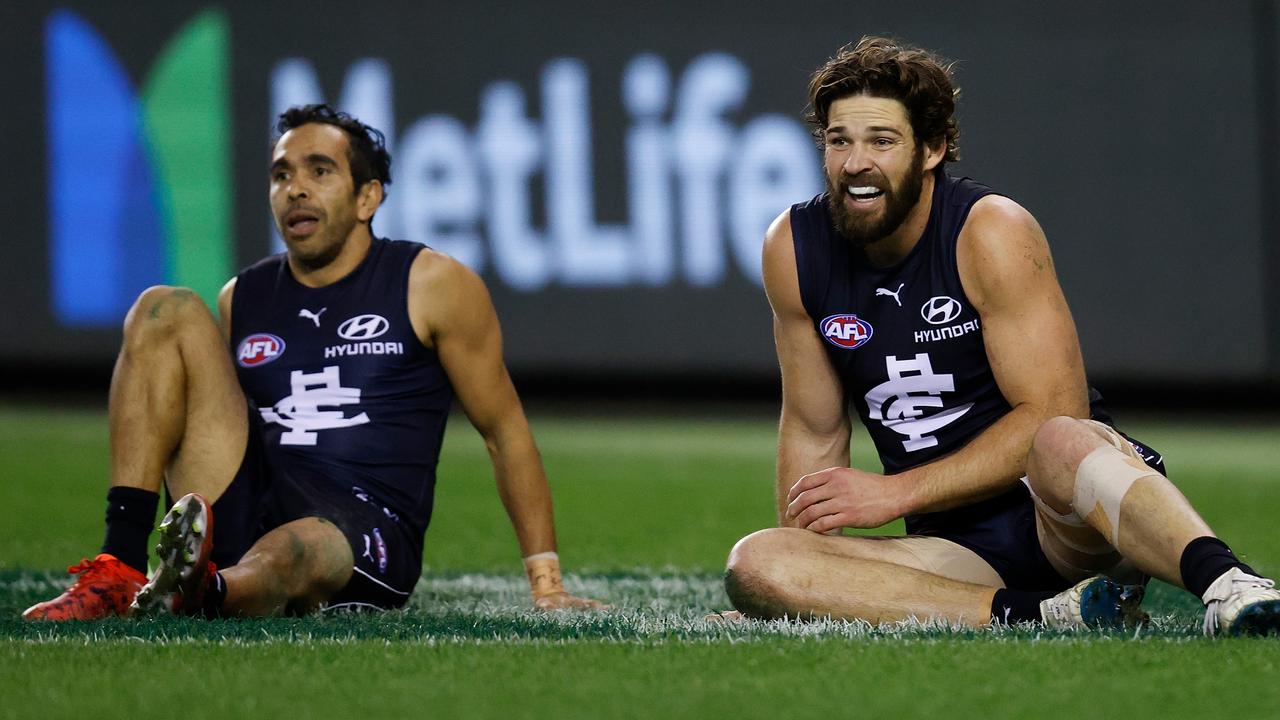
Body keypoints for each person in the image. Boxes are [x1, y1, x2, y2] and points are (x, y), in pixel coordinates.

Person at [721, 37, 1280, 634]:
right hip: (958, 548)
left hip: (1069, 516)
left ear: (932, 149)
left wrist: (897, 494)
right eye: (839, 142)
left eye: (882, 141)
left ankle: (1231, 585)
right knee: (758, 562)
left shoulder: (989, 230)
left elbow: (1052, 413)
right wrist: (806, 579)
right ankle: (1045, 615)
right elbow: (814, 428)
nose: (856, 163)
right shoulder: (795, 247)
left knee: (1063, 439)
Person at [24, 104, 602, 619]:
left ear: (367, 197)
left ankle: (209, 592)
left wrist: (546, 584)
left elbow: (505, 431)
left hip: (364, 523)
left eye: (319, 171)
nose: (295, 189)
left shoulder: (429, 283)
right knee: (163, 308)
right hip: (256, 494)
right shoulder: (242, 297)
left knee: (297, 548)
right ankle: (119, 570)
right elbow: (212, 418)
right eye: (281, 175)